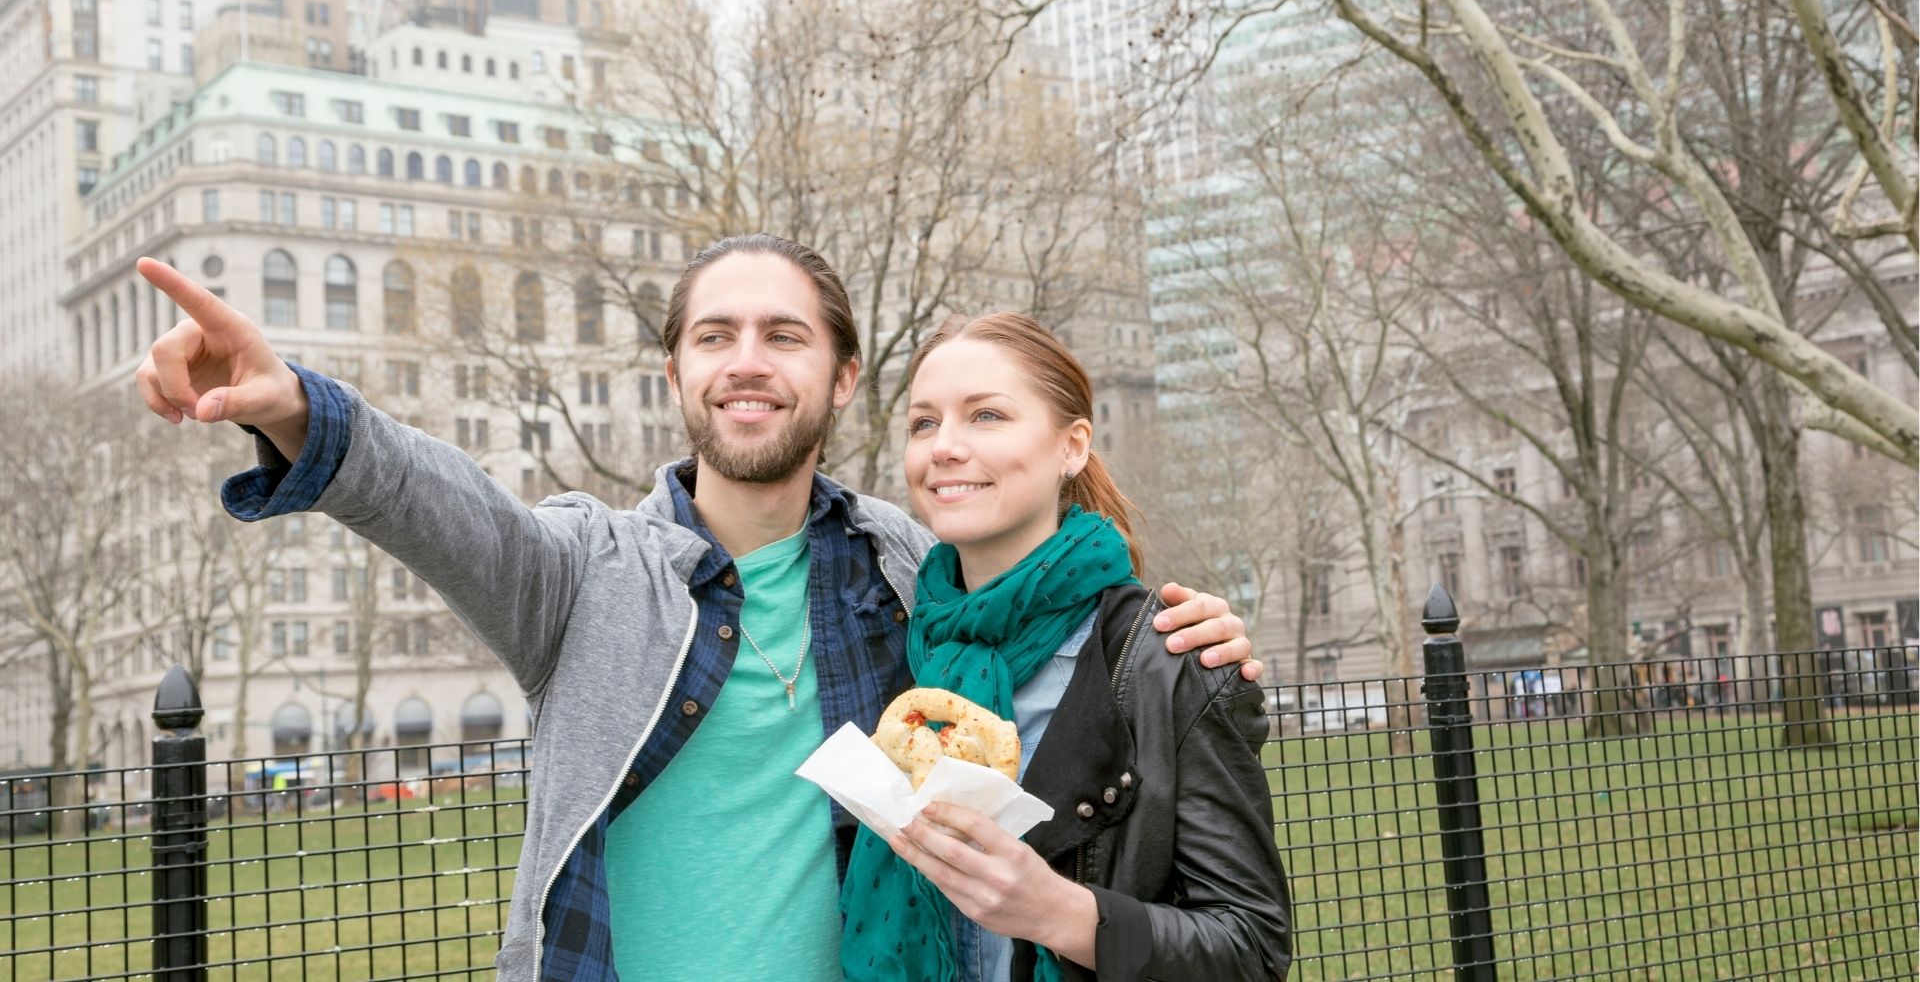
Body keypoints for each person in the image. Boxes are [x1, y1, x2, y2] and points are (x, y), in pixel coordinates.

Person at [130, 234, 1262, 981]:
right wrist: (294, 411)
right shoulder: (586, 571)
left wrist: (1196, 635)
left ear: (843, 376)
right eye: (714, 336)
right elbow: (438, 504)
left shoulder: (906, 569)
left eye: (784, 336)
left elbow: (1048, 594)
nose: (747, 363)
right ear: (674, 373)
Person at [842, 313, 1292, 981]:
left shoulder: (1165, 657)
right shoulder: (900, 639)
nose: (944, 446)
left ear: (1072, 446)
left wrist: (1061, 913)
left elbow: (1252, 950)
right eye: (924, 422)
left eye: (986, 416)